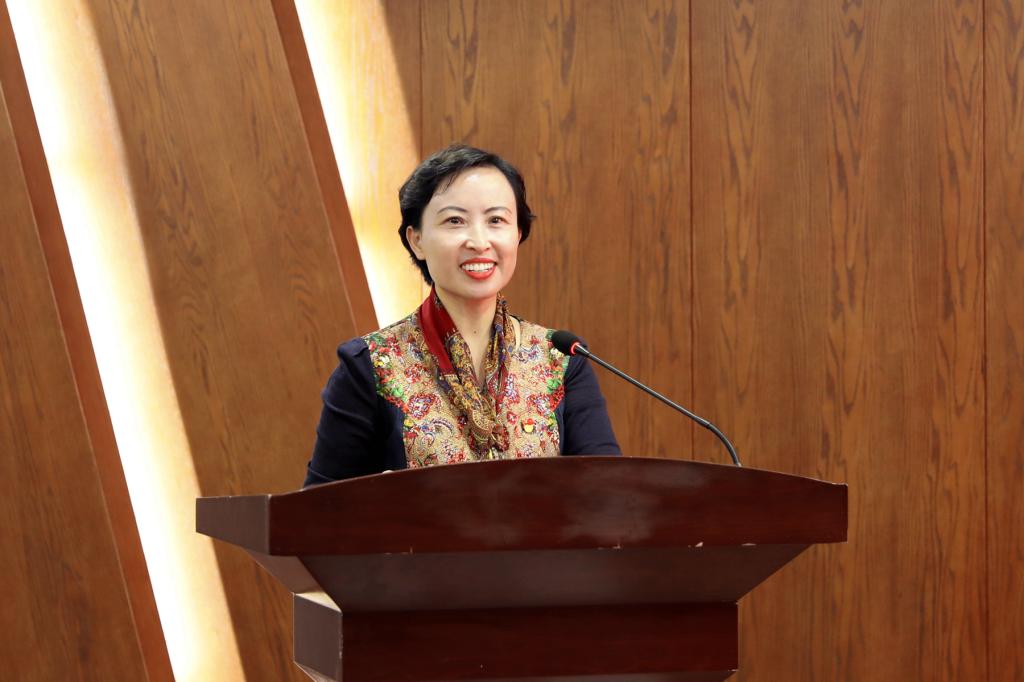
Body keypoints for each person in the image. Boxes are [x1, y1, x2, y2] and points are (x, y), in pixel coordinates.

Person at [303, 144, 620, 486]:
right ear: (416, 240)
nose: (479, 242)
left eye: (496, 220)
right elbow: (318, 510)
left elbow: (608, 493)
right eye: (455, 221)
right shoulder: (369, 365)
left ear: (517, 234)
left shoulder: (561, 358)